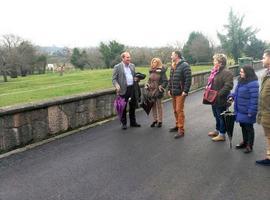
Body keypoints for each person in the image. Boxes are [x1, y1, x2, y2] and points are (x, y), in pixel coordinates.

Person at [228, 66, 259, 153]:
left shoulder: (253, 83)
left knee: (249, 128)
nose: (240, 73)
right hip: (240, 109)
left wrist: (251, 111)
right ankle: (245, 142)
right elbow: (236, 93)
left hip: (248, 110)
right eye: (240, 71)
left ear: (247, 73)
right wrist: (231, 97)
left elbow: (254, 99)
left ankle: (250, 145)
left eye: (242, 72)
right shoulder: (241, 81)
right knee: (243, 126)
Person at [207, 54, 233, 141]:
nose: (213, 62)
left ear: (220, 63)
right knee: (216, 115)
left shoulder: (227, 72)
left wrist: (218, 94)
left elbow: (229, 86)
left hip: (221, 99)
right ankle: (217, 130)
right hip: (213, 99)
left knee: (221, 117)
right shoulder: (215, 71)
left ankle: (222, 135)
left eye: (215, 61)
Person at [112, 52, 141, 130]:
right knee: (123, 107)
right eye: (127, 57)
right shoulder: (117, 67)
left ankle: (133, 122)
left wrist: (137, 79)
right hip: (123, 89)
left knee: (132, 107)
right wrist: (117, 86)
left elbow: (134, 76)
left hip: (132, 89)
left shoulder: (132, 66)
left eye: (129, 57)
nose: (129, 59)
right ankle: (124, 123)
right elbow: (114, 79)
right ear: (123, 58)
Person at [168, 51, 191, 139]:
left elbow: (188, 79)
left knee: (179, 110)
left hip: (181, 92)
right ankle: (177, 125)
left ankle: (181, 130)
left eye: (172, 55)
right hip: (173, 92)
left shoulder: (185, 65)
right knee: (175, 110)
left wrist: (185, 91)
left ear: (176, 56)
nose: (171, 56)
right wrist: (169, 89)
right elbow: (171, 79)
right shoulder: (173, 65)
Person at [256, 49, 270, 166]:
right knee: (268, 136)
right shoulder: (266, 73)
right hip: (265, 112)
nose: (262, 59)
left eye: (264, 57)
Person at [145, 58, 168, 127]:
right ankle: (155, 120)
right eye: (152, 62)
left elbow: (165, 81)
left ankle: (160, 121)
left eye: (155, 62)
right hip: (151, 90)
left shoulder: (162, 71)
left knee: (159, 106)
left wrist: (162, 86)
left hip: (158, 90)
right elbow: (149, 80)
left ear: (158, 63)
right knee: (153, 106)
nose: (153, 63)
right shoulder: (151, 71)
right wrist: (147, 84)